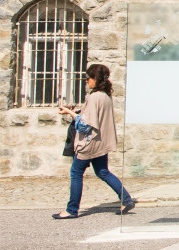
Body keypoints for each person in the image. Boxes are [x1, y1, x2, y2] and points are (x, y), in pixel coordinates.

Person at [54, 63, 134, 218]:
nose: (87, 81)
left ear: (95, 79)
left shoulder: (94, 97)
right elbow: (94, 116)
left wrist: (69, 112)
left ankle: (71, 209)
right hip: (101, 142)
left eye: (88, 78)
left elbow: (84, 124)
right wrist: (76, 110)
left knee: (76, 172)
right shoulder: (105, 96)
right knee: (103, 171)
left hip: (89, 143)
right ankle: (126, 199)